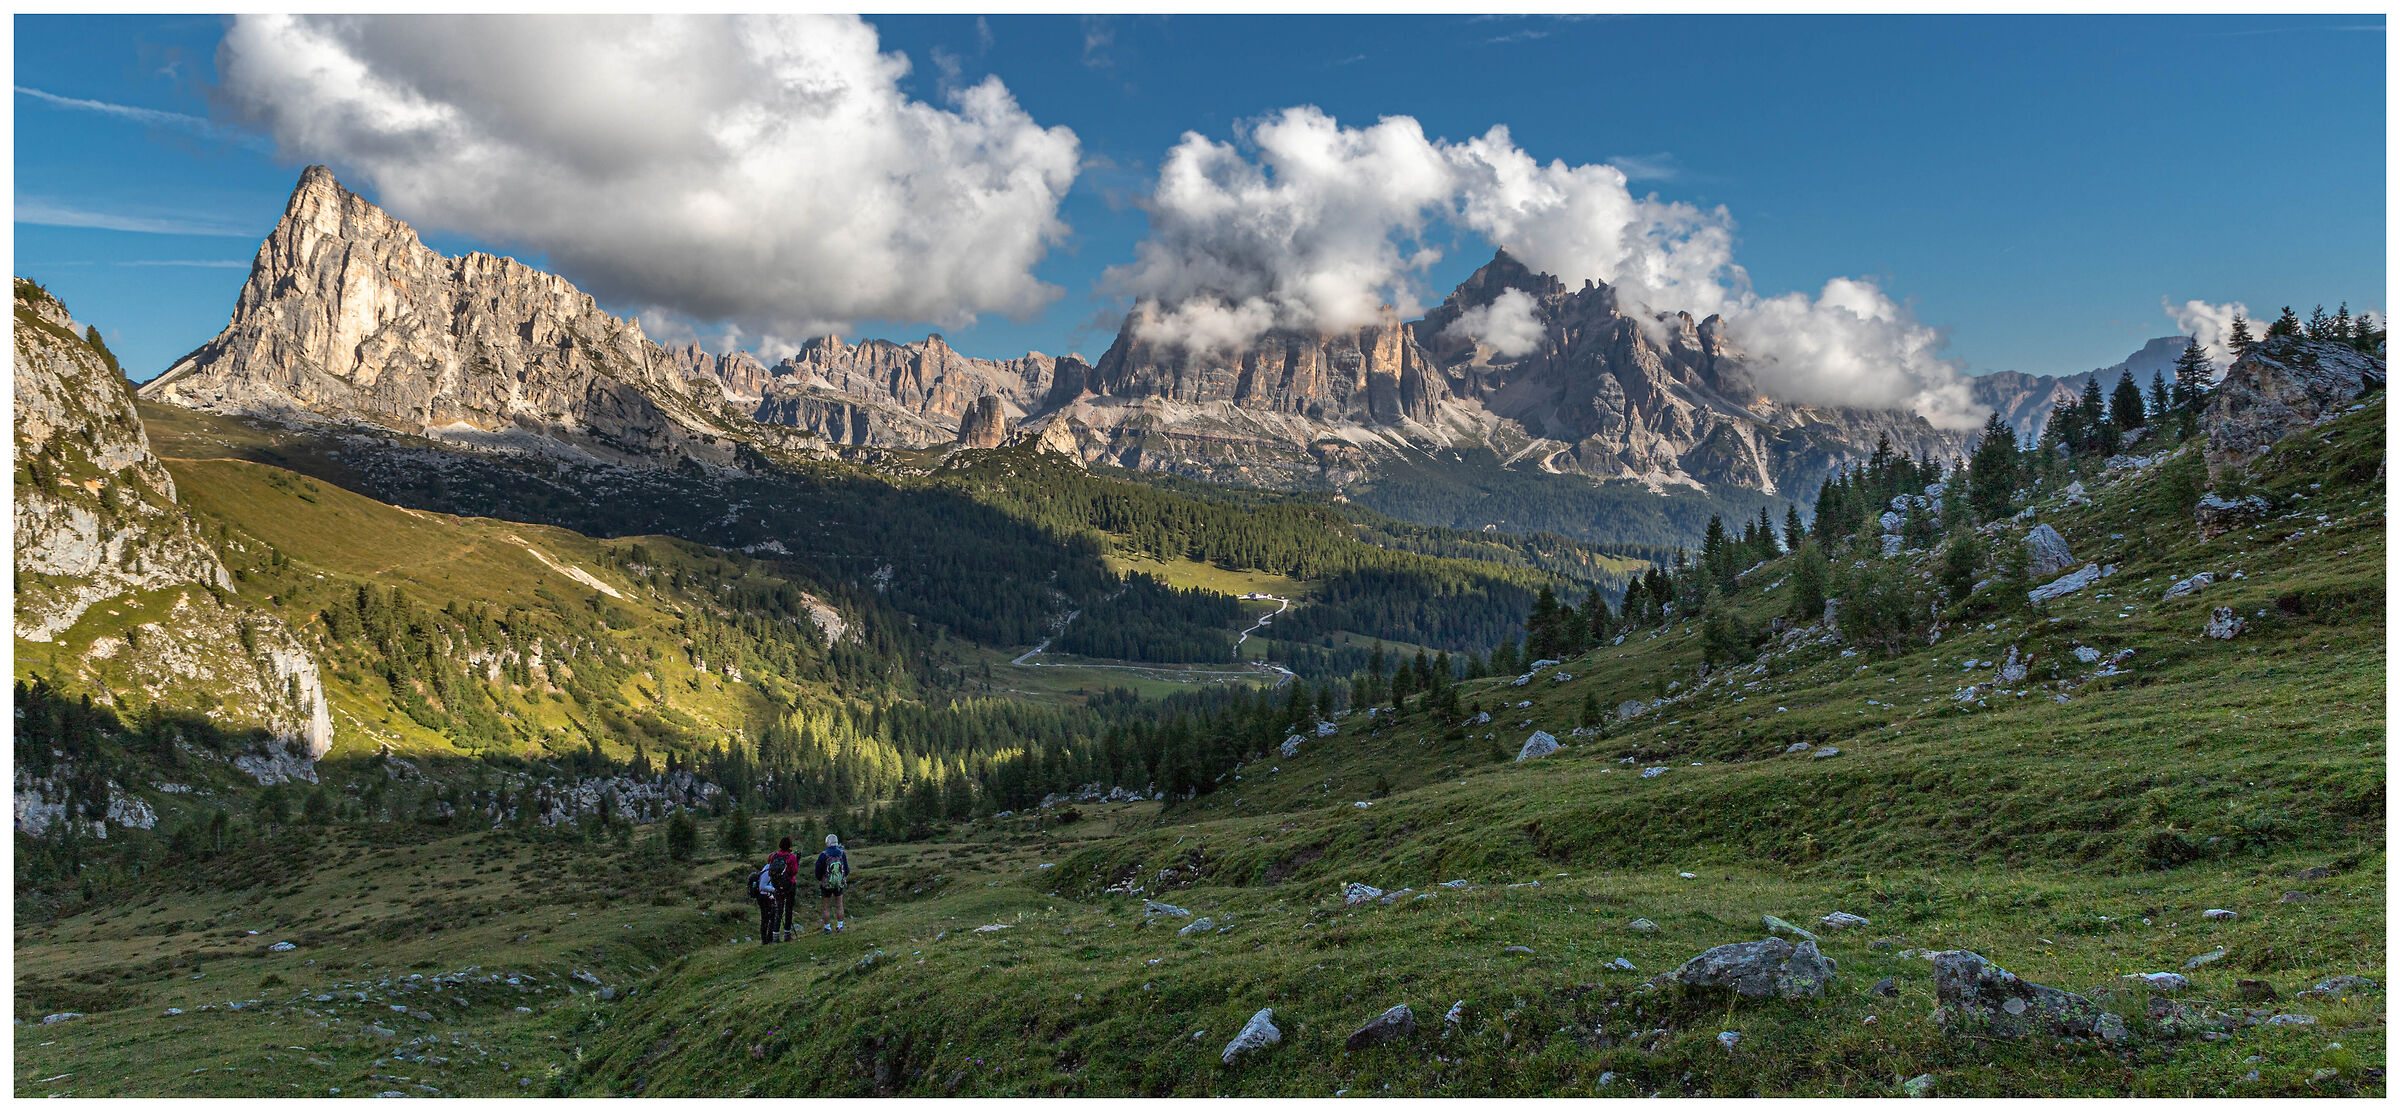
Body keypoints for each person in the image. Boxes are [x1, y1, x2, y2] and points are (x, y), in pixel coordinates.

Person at [767, 837, 804, 942]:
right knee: (788, 910)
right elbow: (794, 871)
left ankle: (775, 935)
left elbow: (770, 870)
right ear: (789, 846)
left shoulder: (773, 856)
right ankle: (787, 934)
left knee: (779, 910)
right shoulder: (791, 857)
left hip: (777, 886)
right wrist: (797, 860)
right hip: (789, 885)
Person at [815, 833, 851, 933]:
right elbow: (846, 869)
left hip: (826, 884)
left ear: (827, 843)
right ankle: (840, 926)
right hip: (839, 883)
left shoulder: (823, 855)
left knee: (826, 907)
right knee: (839, 905)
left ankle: (827, 928)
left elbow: (818, 871)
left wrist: (821, 879)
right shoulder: (841, 853)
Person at [749, 858, 780, 945]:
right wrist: (774, 890)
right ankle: (766, 939)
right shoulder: (767, 871)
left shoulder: (768, 869)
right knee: (767, 917)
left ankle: (767, 939)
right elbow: (762, 886)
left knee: (769, 917)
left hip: (766, 896)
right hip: (764, 896)